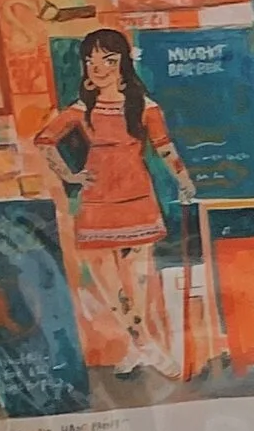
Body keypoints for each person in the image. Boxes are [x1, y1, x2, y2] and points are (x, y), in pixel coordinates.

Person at [37, 28, 198, 384]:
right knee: (109, 285)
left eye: (107, 60)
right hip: (96, 202)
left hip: (136, 198)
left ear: (123, 62)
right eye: (91, 60)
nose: (98, 67)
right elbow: (45, 139)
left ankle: (136, 346)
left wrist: (184, 180)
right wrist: (71, 175)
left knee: (136, 282)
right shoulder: (83, 107)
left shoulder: (146, 106)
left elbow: (165, 147)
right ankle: (144, 344)